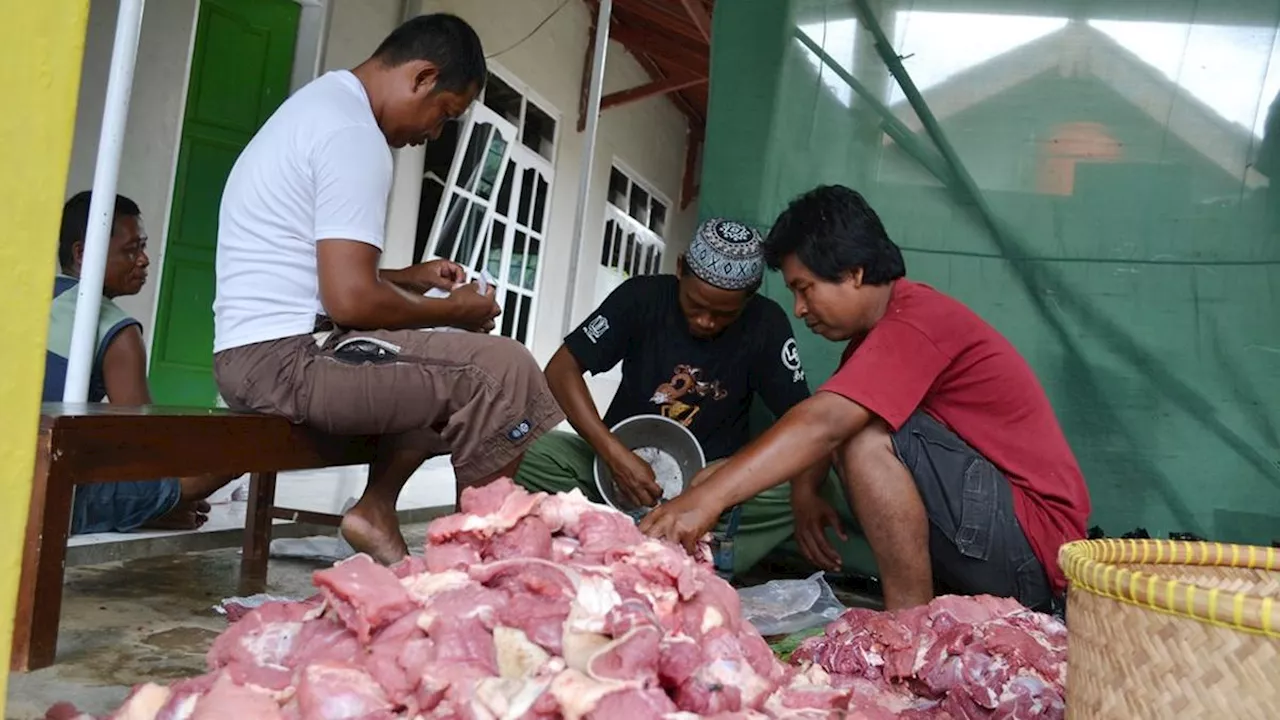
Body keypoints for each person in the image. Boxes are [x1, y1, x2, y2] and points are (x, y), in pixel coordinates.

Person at [212, 14, 564, 565]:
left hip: (255, 355)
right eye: (443, 114)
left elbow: (318, 273)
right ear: (422, 77)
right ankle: (480, 568)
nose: (432, 133)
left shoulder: (322, 106)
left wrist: (412, 279)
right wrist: (453, 308)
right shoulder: (353, 135)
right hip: (284, 363)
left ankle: (375, 510)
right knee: (502, 371)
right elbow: (349, 302)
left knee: (441, 374)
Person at [640, 185, 1091, 613]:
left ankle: (906, 629)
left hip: (1035, 548)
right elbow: (821, 424)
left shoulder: (917, 321)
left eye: (804, 288)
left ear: (854, 273)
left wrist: (708, 501)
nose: (799, 308)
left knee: (863, 436)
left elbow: (826, 422)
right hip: (1006, 544)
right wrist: (800, 490)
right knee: (738, 467)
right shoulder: (873, 342)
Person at [513, 217, 833, 576]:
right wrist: (614, 454)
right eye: (695, 305)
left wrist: (744, 476)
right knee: (518, 446)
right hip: (617, 473)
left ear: (751, 295)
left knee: (811, 485)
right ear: (680, 269)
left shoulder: (766, 324)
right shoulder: (641, 297)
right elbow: (561, 369)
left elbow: (804, 423)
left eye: (724, 314)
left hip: (713, 490)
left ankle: (656, 545)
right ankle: (626, 534)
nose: (706, 321)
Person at [45, 191, 236, 534]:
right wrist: (167, 496)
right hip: (48, 493)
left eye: (143, 247)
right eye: (131, 250)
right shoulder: (115, 329)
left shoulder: (32, 297)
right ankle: (154, 511)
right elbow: (143, 444)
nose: (144, 260)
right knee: (218, 463)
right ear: (82, 254)